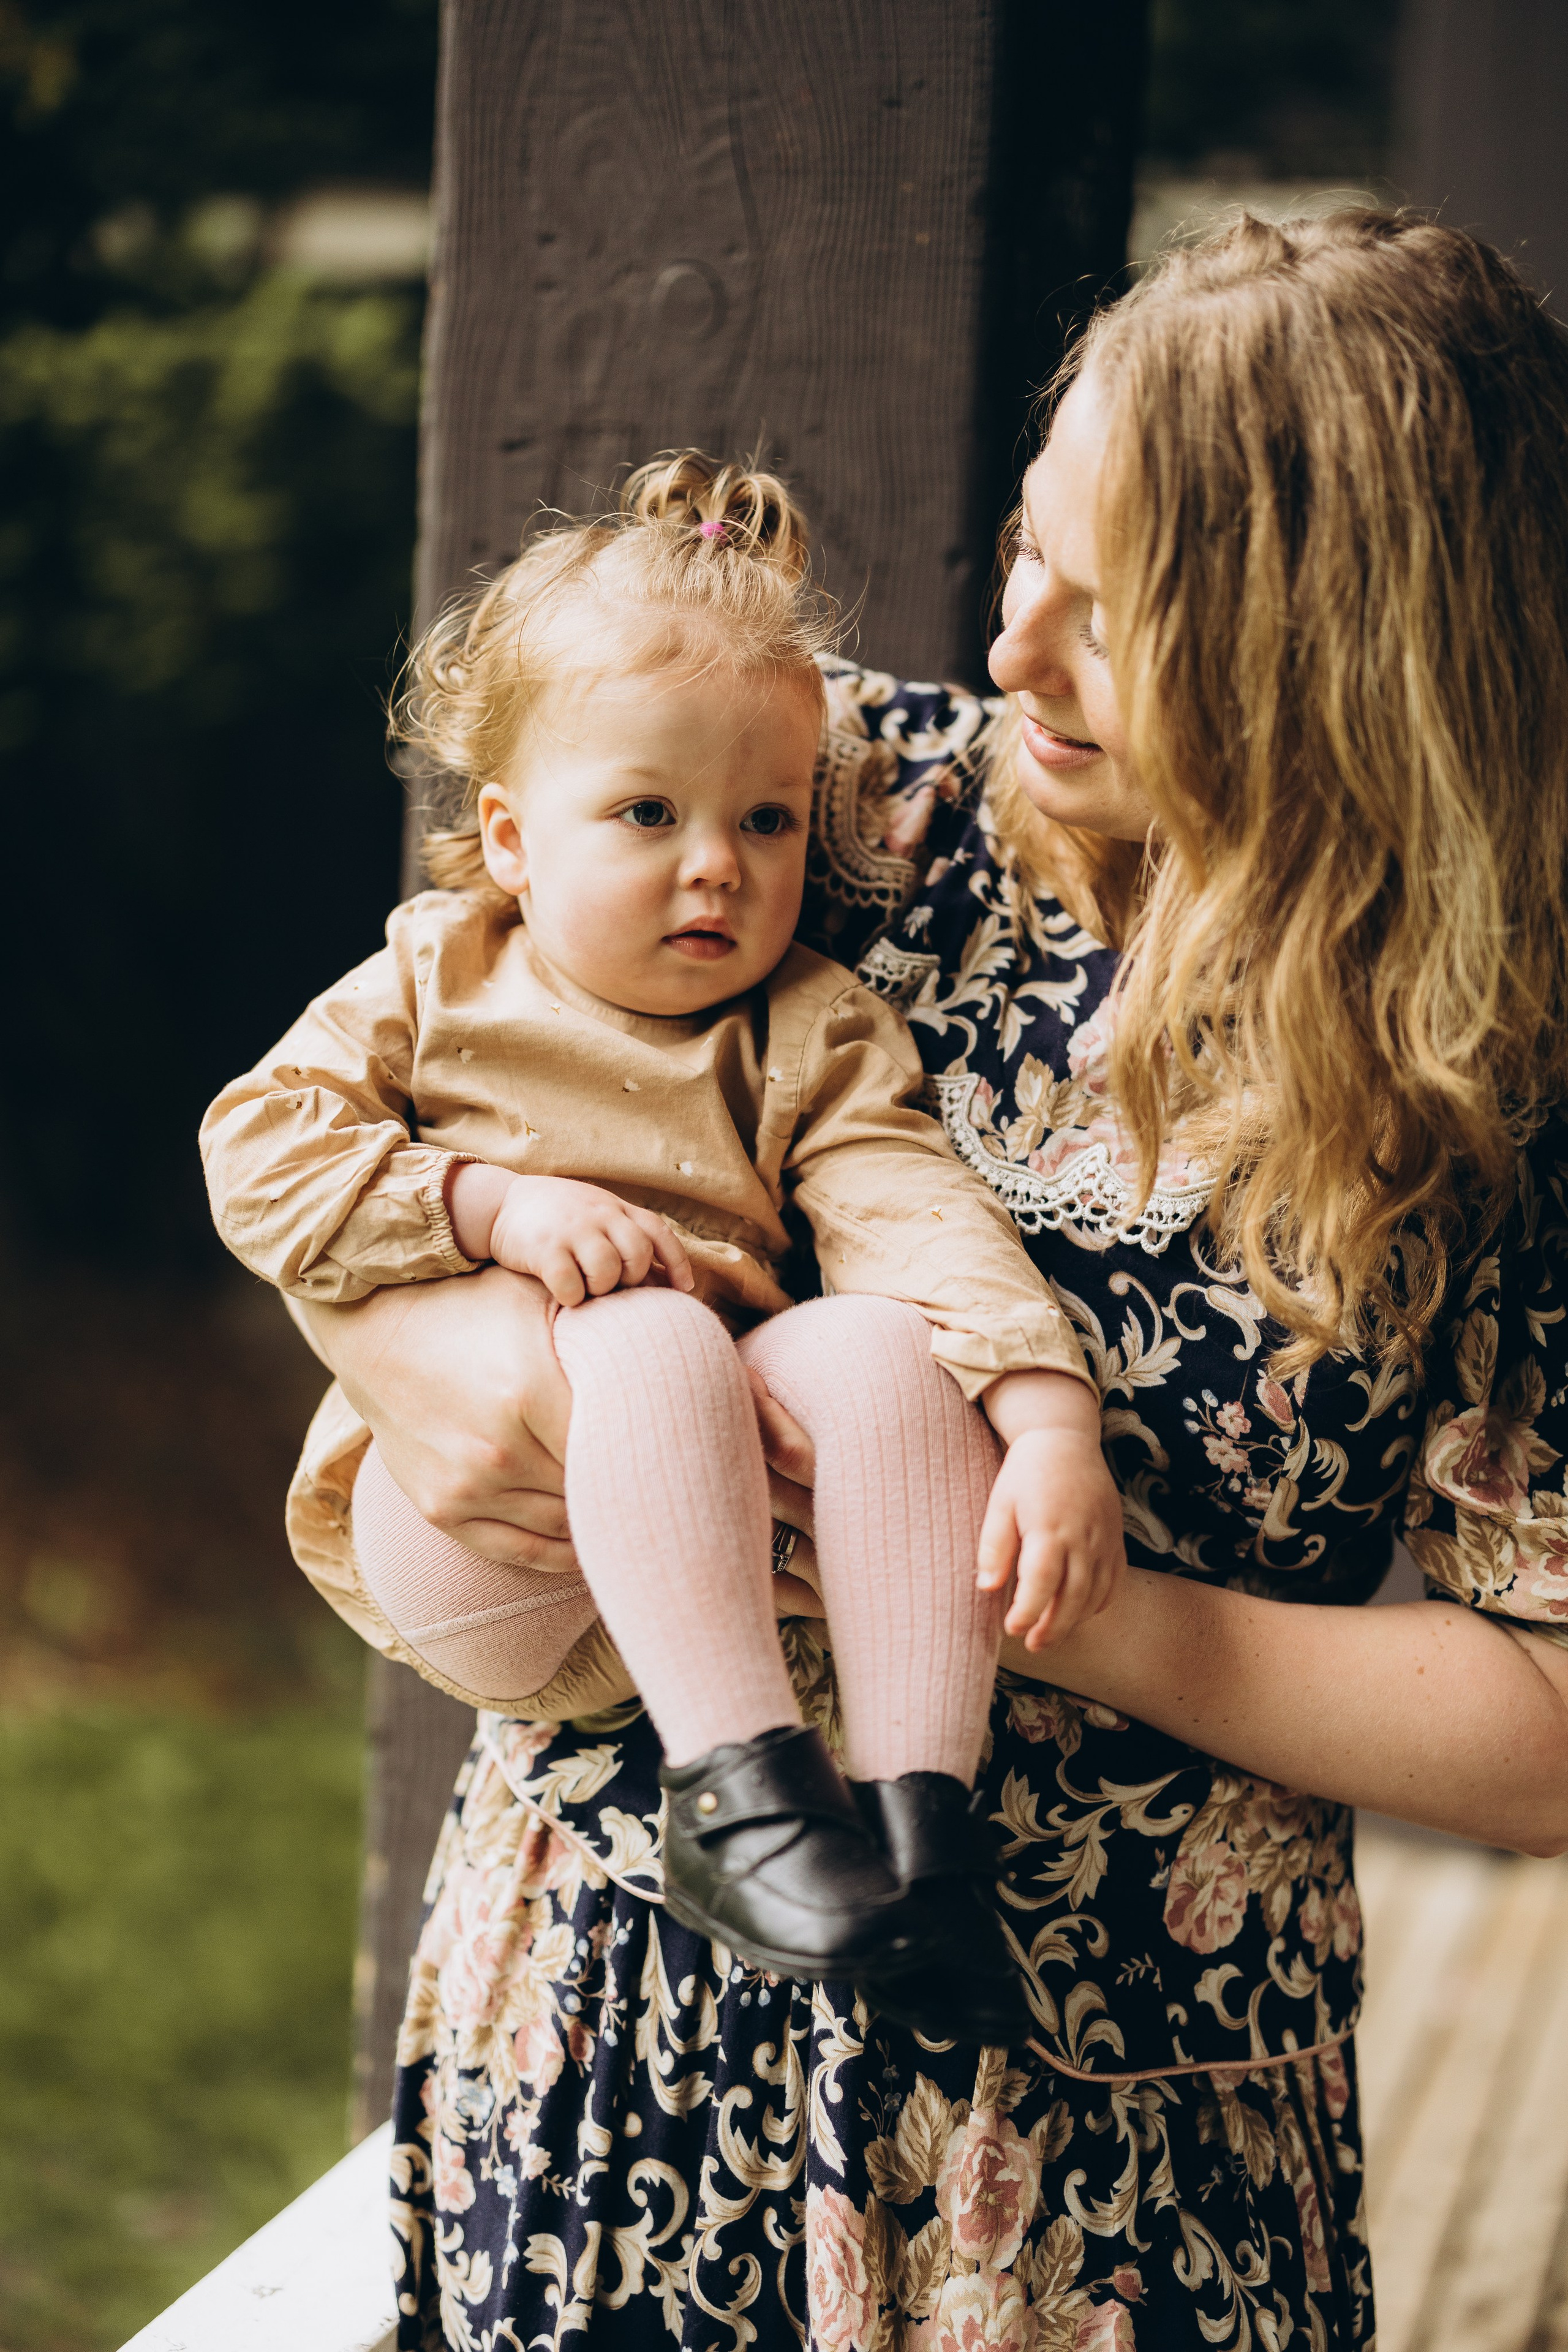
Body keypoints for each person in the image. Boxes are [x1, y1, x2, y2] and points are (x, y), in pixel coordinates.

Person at [289, 211, 1568, 2348]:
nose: (1017, 657)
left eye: (1121, 609)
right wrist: (450, 1340)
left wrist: (1070, 1602)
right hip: (622, 2017)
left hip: (1105, 2139)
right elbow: (399, 1082)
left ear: (1341, 646)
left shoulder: (1507, 1069)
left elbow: (1548, 1726)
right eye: (1022, 552)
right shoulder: (841, 800)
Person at [200, 454, 1125, 2040]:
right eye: (648, 813)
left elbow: (918, 1218)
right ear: (507, 838)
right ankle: (743, 1801)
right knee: (641, 1324)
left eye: (767, 817)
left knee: (877, 1343)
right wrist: (480, 1207)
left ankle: (920, 1846)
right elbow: (254, 1152)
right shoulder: (439, 979)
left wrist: (1047, 1415)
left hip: (698, 1523)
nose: (721, 863)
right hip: (480, 1538)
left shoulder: (810, 1029)